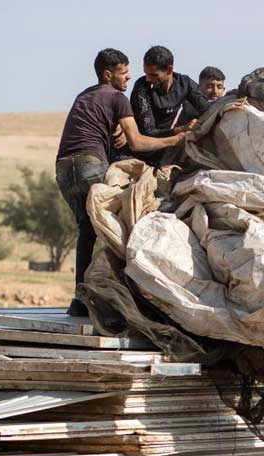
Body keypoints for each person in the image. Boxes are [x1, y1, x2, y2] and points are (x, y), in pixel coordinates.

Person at [55, 48, 186, 316]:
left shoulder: (84, 95)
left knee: (87, 230)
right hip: (91, 165)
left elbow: (98, 124)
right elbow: (138, 142)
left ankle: (80, 301)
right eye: (124, 73)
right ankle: (113, 300)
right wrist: (175, 139)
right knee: (112, 230)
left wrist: (116, 128)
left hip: (64, 169)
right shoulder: (118, 97)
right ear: (108, 75)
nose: (129, 78)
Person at [129, 46, 210, 165]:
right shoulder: (142, 88)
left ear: (169, 70)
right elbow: (149, 132)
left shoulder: (184, 83)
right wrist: (181, 130)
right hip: (142, 152)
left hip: (168, 152)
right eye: (146, 73)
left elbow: (207, 109)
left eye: (154, 75)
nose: (148, 79)